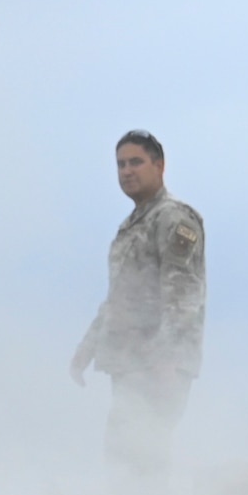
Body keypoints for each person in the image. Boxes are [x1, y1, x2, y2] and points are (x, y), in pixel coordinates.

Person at [69, 130, 205, 475]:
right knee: (124, 458)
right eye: (120, 164)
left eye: (136, 162)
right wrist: (87, 348)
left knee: (141, 458)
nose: (127, 171)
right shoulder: (132, 226)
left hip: (157, 366)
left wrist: (166, 359)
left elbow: (182, 295)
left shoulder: (173, 219)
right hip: (130, 364)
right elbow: (118, 298)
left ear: (159, 165)